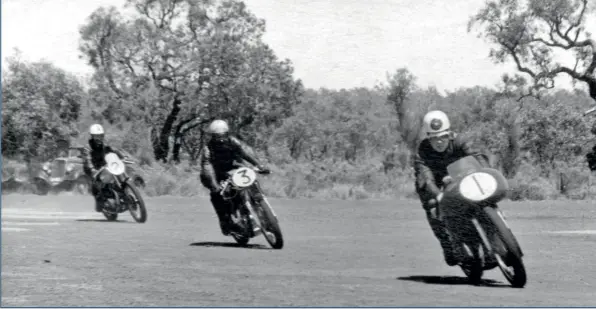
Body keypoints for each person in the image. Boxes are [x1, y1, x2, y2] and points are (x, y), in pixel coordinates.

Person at [413, 110, 490, 266]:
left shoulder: (461, 141)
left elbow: (478, 156)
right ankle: (447, 245)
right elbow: (426, 179)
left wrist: (486, 173)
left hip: (461, 176)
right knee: (434, 208)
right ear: (428, 137)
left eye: (443, 136)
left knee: (483, 196)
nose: (439, 142)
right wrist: (438, 195)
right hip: (435, 184)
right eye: (434, 138)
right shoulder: (422, 150)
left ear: (449, 133)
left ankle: (495, 236)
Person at [199, 119, 270, 236]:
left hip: (233, 168)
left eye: (222, 135)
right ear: (212, 137)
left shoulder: (233, 142)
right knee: (217, 195)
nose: (220, 139)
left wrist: (259, 165)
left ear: (227, 134)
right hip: (216, 174)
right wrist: (214, 185)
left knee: (250, 177)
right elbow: (207, 167)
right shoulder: (208, 149)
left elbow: (245, 153)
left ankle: (258, 199)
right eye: (217, 136)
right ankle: (225, 222)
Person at [82, 124, 125, 212]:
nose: (99, 138)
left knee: (116, 173)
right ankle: (99, 201)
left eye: (101, 136)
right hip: (91, 169)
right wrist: (92, 169)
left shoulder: (104, 145)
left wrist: (123, 157)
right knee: (97, 185)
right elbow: (87, 159)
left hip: (104, 166)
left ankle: (125, 193)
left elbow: (114, 150)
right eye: (97, 136)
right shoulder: (87, 148)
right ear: (92, 136)